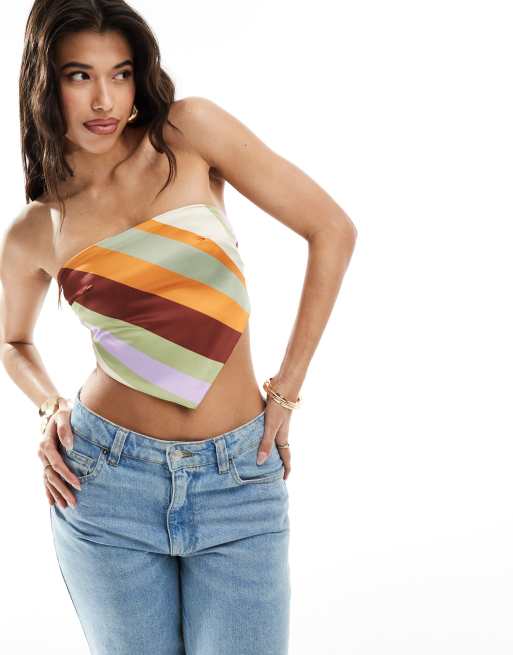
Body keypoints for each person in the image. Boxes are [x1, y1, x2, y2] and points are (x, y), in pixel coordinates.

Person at [0, 1, 357, 654]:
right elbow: (13, 340)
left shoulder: (188, 133)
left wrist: (285, 390)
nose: (104, 99)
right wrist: (49, 405)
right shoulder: (36, 228)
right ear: (44, 84)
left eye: (120, 73)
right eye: (80, 75)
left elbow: (330, 229)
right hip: (106, 483)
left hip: (239, 477)